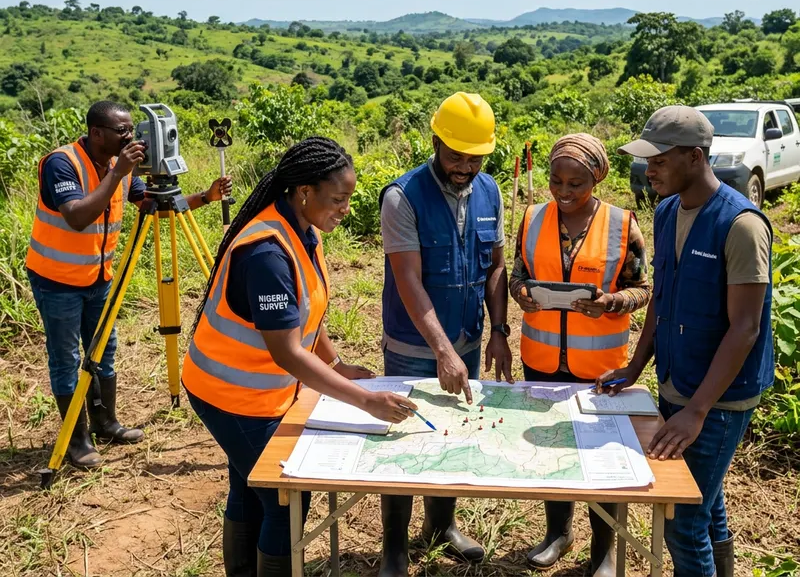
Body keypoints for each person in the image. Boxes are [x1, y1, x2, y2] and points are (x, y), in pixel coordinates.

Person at [182, 136, 417, 577]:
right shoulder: (268, 253)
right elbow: (288, 351)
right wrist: (365, 401)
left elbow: (307, 311)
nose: (346, 209)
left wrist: (334, 364)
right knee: (283, 496)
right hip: (229, 394)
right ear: (304, 192)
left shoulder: (304, 230)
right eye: (339, 199)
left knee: (247, 481)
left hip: (261, 391)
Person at [600, 106, 773, 577]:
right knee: (706, 499)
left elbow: (746, 328)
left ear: (695, 158)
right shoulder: (667, 210)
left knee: (683, 521)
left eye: (659, 160)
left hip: (720, 399)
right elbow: (663, 293)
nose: (647, 170)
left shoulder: (741, 226)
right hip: (678, 381)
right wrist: (636, 368)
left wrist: (697, 410)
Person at [26, 100, 230, 468]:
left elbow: (152, 201)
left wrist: (205, 196)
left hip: (98, 277)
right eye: (122, 131)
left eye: (132, 129)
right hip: (57, 280)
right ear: (97, 133)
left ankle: (106, 423)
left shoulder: (116, 167)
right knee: (67, 359)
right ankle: (77, 440)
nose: (130, 136)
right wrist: (118, 173)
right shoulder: (62, 163)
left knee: (104, 350)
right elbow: (76, 217)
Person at [378, 92, 512, 577]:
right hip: (415, 348)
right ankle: (393, 546)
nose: (466, 166)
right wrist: (441, 351)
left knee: (452, 435)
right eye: (456, 155)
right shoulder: (403, 197)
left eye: (476, 157)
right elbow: (408, 281)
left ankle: (440, 528)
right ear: (436, 141)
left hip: (469, 339)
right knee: (405, 438)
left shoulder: (490, 192)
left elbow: (496, 267)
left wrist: (498, 330)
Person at [509, 133, 651, 576]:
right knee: (552, 451)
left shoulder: (622, 224)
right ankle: (558, 533)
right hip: (542, 361)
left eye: (576, 183)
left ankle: (604, 551)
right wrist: (523, 296)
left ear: (597, 178)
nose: (564, 192)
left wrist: (612, 302)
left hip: (601, 368)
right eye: (556, 181)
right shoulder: (531, 218)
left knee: (602, 458)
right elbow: (517, 276)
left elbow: (645, 288)